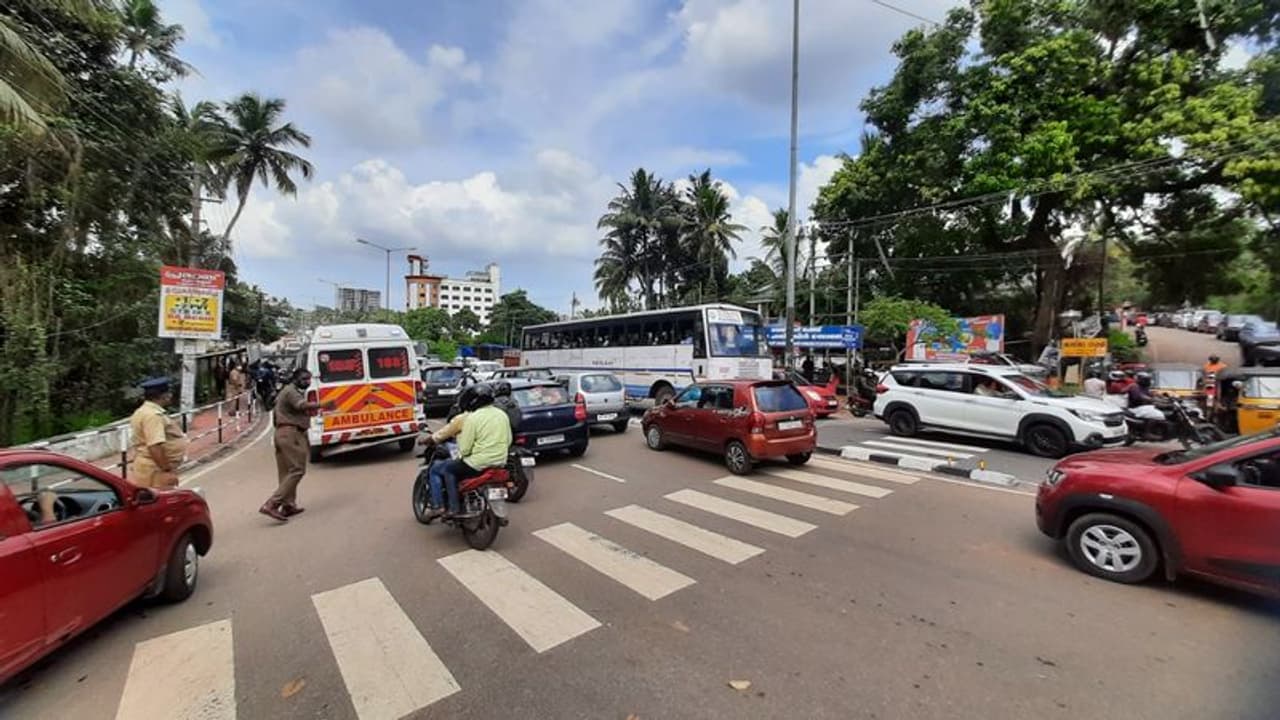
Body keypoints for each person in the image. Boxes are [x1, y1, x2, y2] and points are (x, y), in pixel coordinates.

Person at [260, 368, 330, 522]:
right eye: (304, 379)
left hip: (282, 434)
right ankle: (272, 503)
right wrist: (323, 404)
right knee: (297, 469)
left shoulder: (287, 391)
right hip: (291, 433)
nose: (307, 382)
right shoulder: (291, 391)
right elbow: (301, 405)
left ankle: (288, 505)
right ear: (296, 378)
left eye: (309, 379)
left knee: (286, 472)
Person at [441, 384, 512, 517]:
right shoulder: (502, 414)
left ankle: (454, 508)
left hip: (478, 463)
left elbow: (466, 449)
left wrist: (462, 455)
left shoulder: (472, 418)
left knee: (449, 469)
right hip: (501, 461)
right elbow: (508, 440)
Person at [127, 377, 188, 488]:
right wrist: (166, 471)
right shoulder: (153, 416)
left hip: (152, 467)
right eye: (168, 393)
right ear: (162, 395)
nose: (170, 395)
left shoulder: (145, 411)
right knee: (161, 501)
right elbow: (155, 446)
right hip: (155, 469)